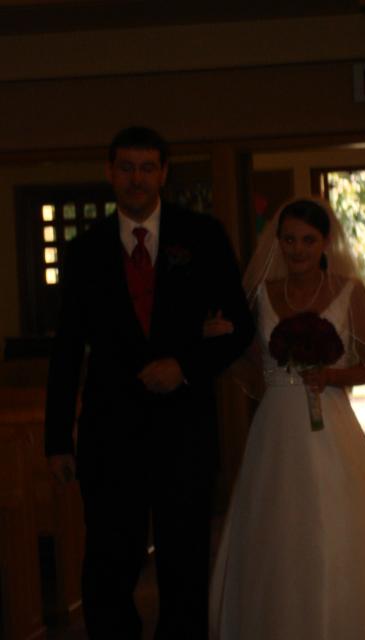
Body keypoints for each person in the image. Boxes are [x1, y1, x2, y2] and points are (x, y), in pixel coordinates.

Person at [208, 199, 365, 639]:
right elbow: (252, 367)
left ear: (325, 242)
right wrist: (222, 342)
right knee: (276, 528)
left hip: (330, 420)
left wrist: (331, 375)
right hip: (275, 428)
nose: (298, 249)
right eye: (289, 240)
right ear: (278, 242)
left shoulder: (350, 291)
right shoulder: (263, 295)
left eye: (308, 240)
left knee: (336, 522)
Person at [44, 126, 255, 640]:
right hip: (109, 431)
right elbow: (67, 348)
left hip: (184, 429)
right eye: (126, 168)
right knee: (109, 563)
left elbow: (240, 328)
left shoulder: (202, 236)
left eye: (146, 168)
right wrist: (57, 439)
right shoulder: (84, 250)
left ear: (163, 173)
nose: (136, 179)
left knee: (184, 562)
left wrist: (185, 366)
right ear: (109, 173)